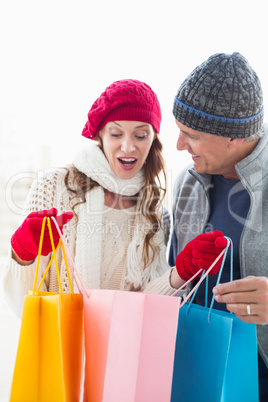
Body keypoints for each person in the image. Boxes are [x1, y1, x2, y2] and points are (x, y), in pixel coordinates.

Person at [2, 79, 226, 319]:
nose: (128, 147)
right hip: (59, 352)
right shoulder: (53, 188)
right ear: (100, 134)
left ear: (153, 139)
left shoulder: (153, 211)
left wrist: (180, 271)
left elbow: (143, 309)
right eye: (116, 133)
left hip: (120, 354)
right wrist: (23, 252)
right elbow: (22, 306)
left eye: (140, 135)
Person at [169, 52, 268, 399]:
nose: (179, 145)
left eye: (190, 134)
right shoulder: (188, 182)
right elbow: (172, 278)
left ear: (234, 138)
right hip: (194, 367)